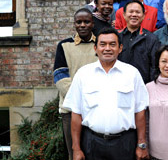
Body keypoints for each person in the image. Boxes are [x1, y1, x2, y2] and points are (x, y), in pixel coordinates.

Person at [63, 27, 149, 160]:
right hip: (92, 143)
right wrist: (76, 148)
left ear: (120, 48)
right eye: (102, 44)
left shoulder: (132, 74)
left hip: (125, 143)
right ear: (95, 48)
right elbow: (76, 113)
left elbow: (140, 112)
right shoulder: (83, 74)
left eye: (112, 44)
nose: (107, 48)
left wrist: (141, 145)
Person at [53, 8, 97, 160]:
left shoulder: (102, 45)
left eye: (87, 21)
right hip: (70, 110)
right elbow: (60, 77)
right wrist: (82, 100)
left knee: (94, 153)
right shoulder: (64, 46)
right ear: (74, 24)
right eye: (79, 22)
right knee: (75, 154)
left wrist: (93, 99)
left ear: (93, 23)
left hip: (96, 108)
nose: (83, 25)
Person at [118, 0, 161, 84]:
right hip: (119, 84)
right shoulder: (117, 37)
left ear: (143, 16)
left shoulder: (151, 38)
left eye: (138, 12)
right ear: (124, 15)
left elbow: (154, 67)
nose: (134, 15)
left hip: (143, 86)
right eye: (131, 12)